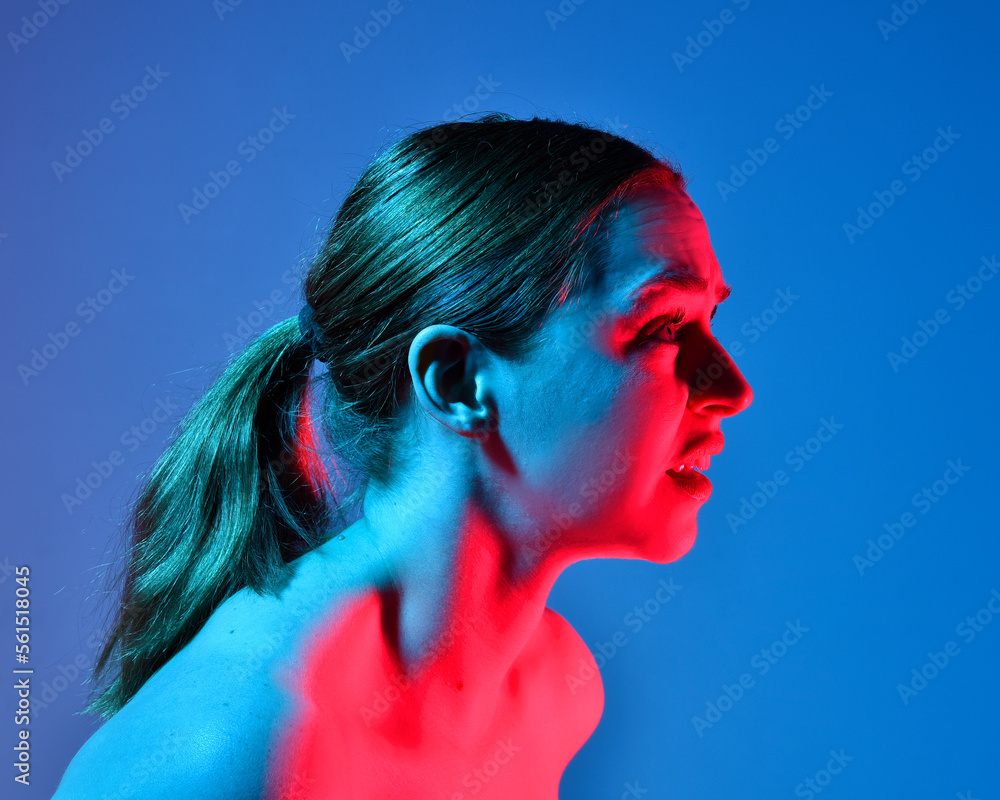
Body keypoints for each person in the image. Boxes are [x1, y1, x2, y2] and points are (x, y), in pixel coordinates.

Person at [51, 113, 752, 799]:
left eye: (710, 319)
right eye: (663, 324)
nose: (733, 389)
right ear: (457, 381)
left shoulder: (553, 689)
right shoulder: (219, 755)